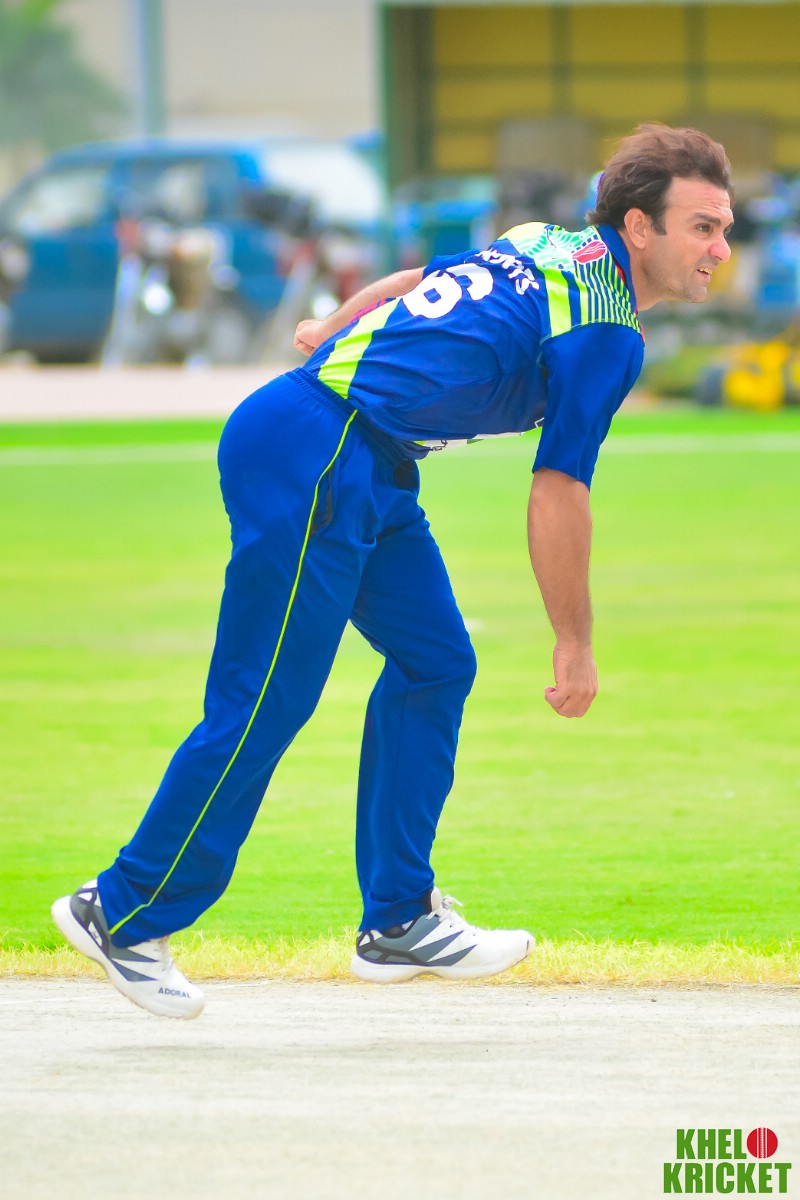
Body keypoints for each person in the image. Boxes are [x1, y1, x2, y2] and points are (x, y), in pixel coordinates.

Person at [52, 124, 734, 1019]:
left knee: (436, 662)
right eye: (702, 227)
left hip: (359, 458)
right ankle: (124, 908)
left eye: (724, 229)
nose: (721, 250)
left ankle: (399, 918)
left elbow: (416, 283)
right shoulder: (606, 329)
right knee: (265, 700)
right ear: (639, 228)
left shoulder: (549, 243)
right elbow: (559, 490)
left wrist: (330, 325)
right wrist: (574, 642)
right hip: (319, 452)